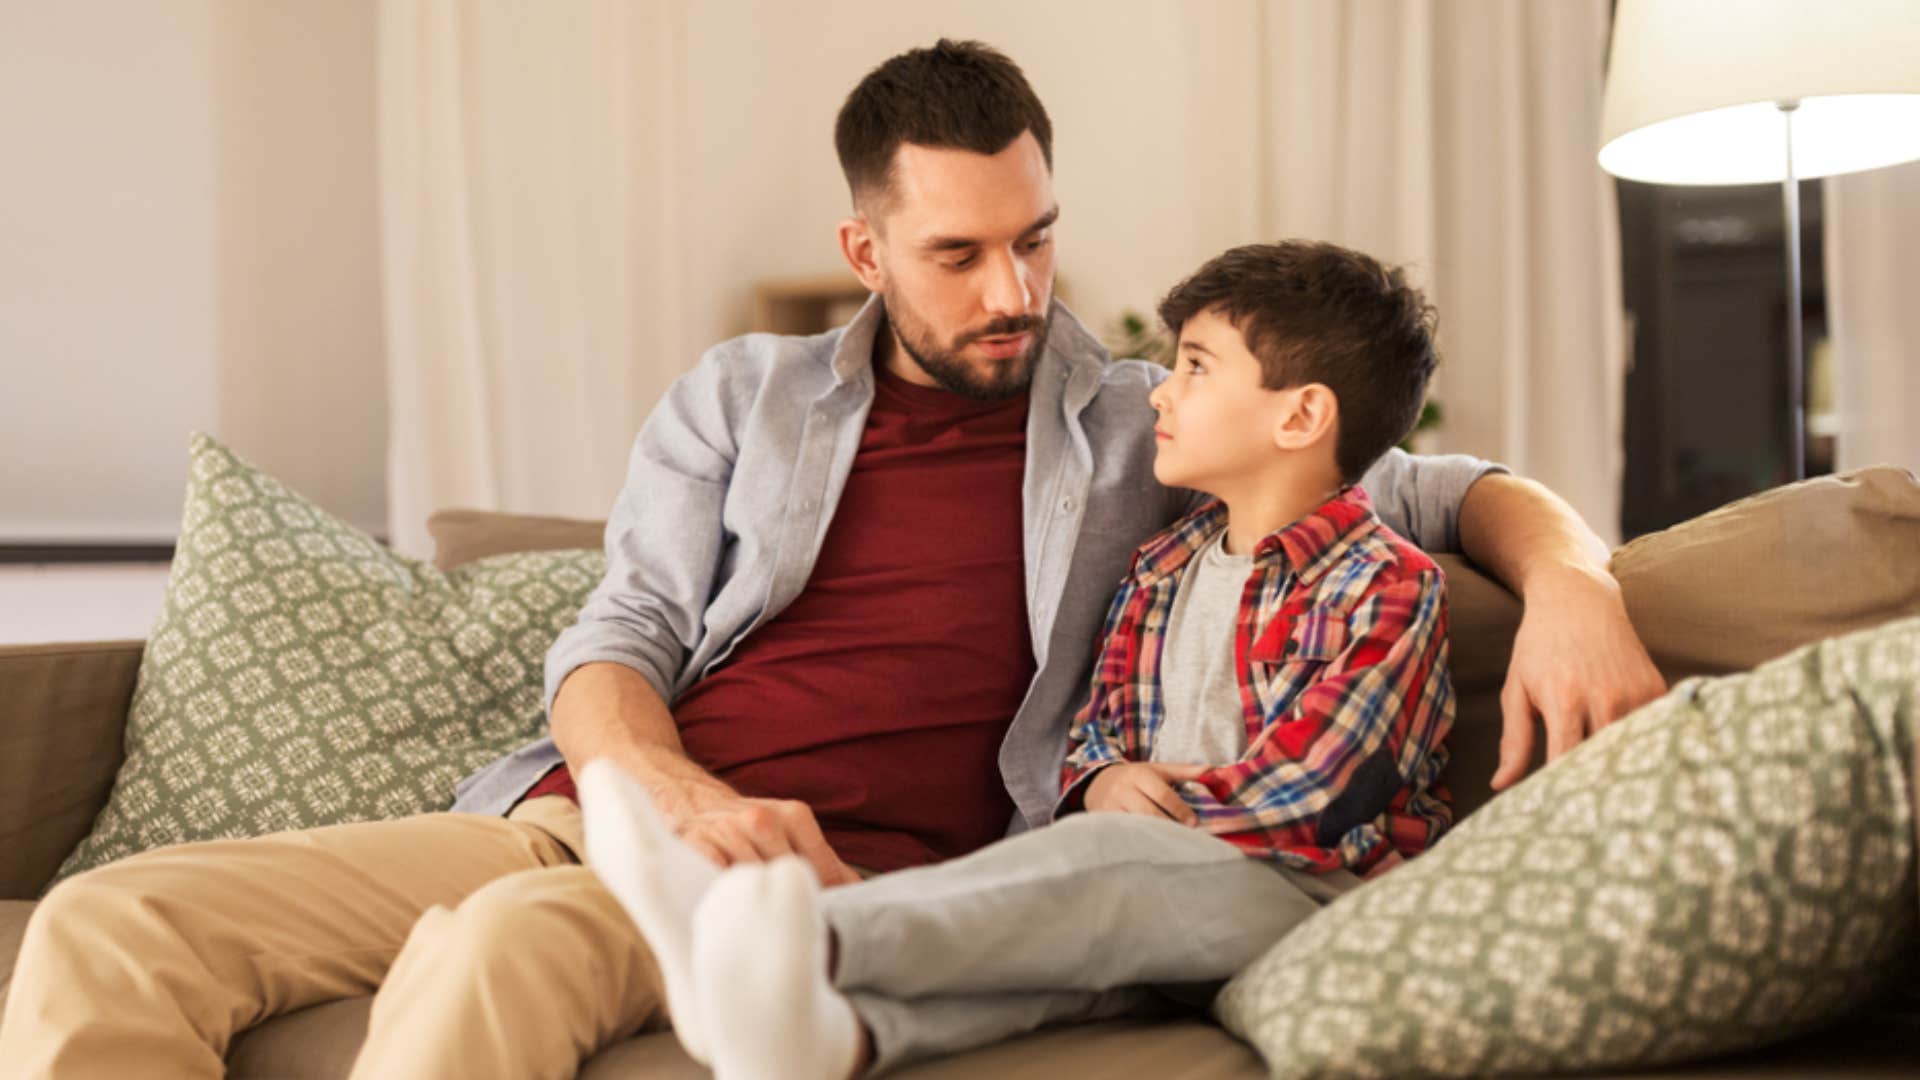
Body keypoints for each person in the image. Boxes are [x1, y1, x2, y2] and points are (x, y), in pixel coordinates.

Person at [0, 39, 1662, 1079]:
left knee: (505, 961)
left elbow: (1434, 487)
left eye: (1037, 241)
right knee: (106, 925)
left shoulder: (1146, 423)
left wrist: (1578, 582)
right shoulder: (744, 397)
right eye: (959, 255)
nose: (1014, 293)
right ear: (868, 249)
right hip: (599, 824)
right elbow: (623, 628)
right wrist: (660, 790)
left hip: (823, 880)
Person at [587, 238, 1463, 1079]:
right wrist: (1102, 782)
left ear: (1302, 414)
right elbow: (1099, 728)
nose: (1161, 393)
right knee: (1050, 974)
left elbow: (1313, 794)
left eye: (1196, 367)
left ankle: (796, 936)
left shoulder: (1383, 585)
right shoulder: (1161, 567)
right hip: (1150, 893)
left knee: (1103, 876)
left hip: (1307, 894)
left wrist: (1141, 823)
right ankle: (826, 1033)